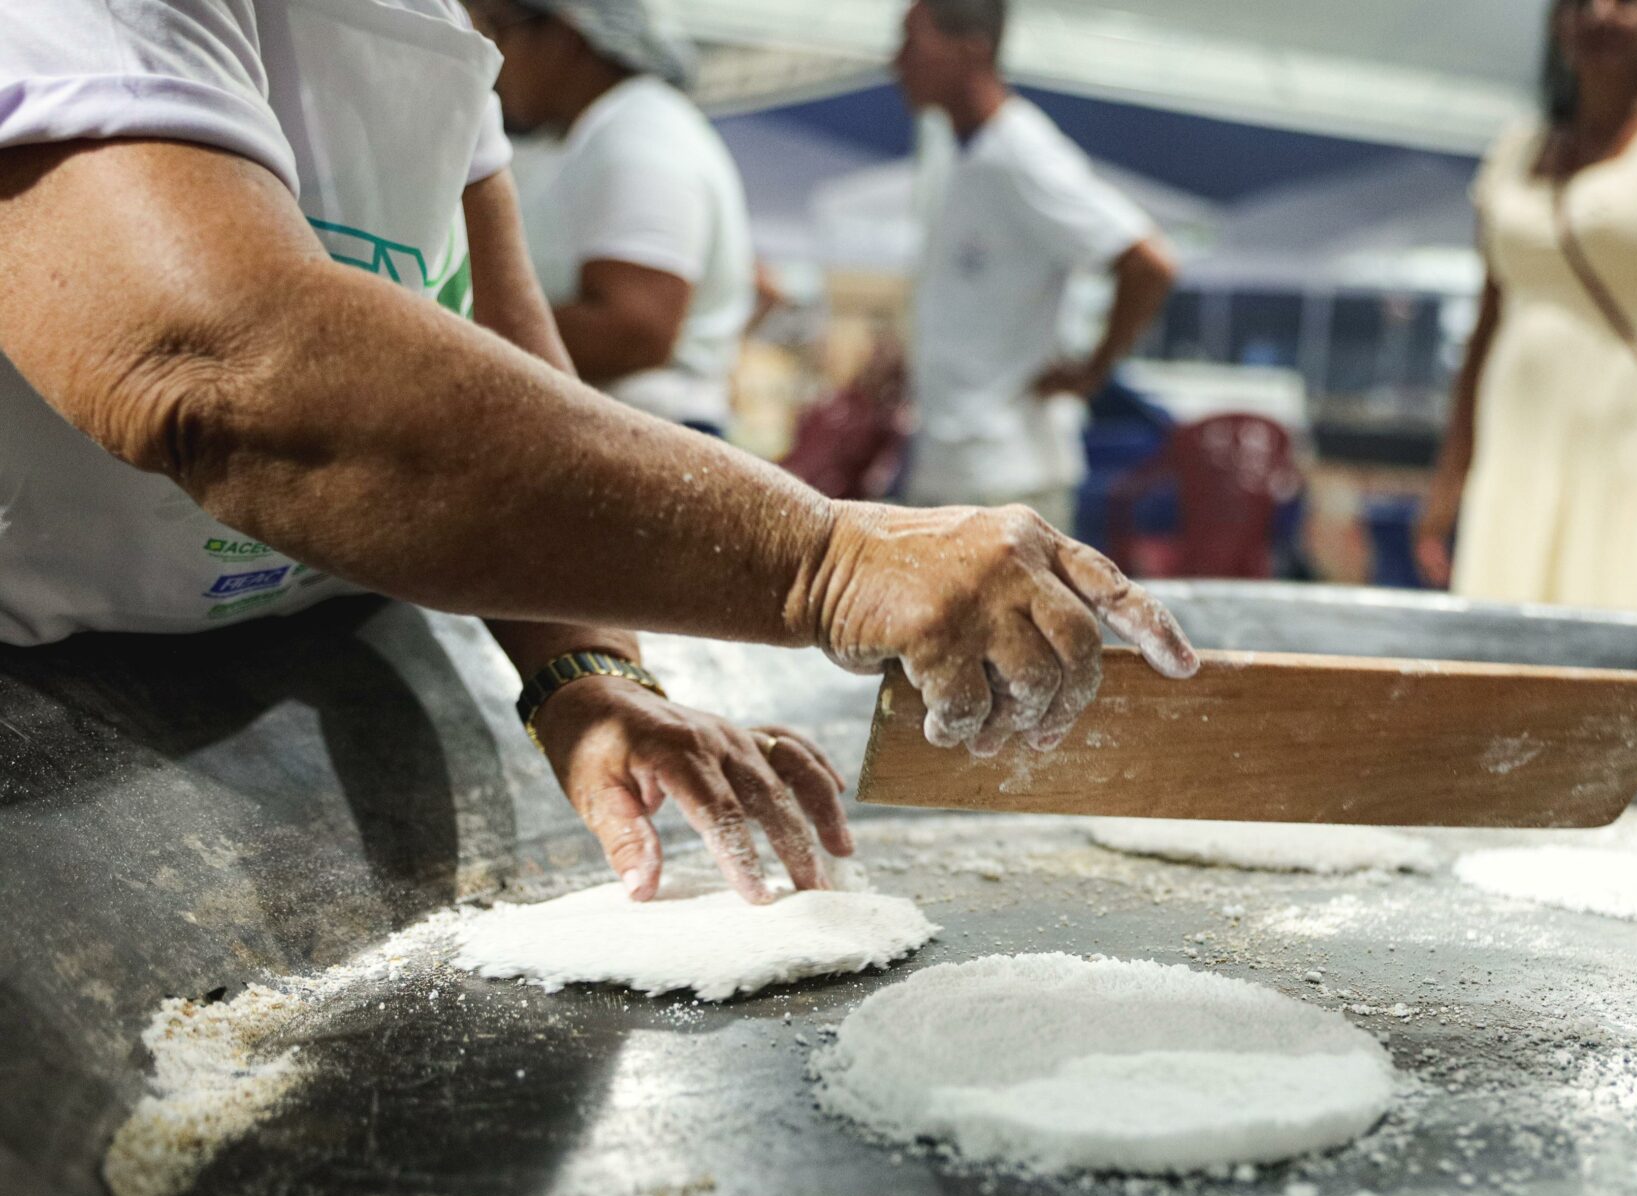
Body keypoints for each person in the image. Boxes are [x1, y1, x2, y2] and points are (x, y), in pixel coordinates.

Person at [0, 0, 1199, 908]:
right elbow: (219, 368)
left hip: (323, 663)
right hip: (51, 718)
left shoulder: (436, 34)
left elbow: (507, 359)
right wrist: (822, 555)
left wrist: (584, 672)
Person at [1417, 0, 1637, 612]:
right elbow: (1486, 324)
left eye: (1628, 1)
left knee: (1627, 633)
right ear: (1558, 22)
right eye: (1580, 3)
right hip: (1516, 441)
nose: (1602, 16)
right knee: (1501, 644)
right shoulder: (1515, 153)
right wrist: (1452, 472)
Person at [894, 0, 1178, 534]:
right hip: (951, 465)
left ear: (969, 52)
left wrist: (1093, 371)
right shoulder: (950, 149)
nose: (897, 61)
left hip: (1006, 480)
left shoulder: (1021, 153)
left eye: (913, 41)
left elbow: (1149, 263)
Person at [479, 0, 753, 438]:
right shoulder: (611, 130)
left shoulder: (640, 132)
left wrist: (460, 328)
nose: (494, 54)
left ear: (567, 35)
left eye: (500, 29)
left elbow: (634, 329)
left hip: (642, 441)